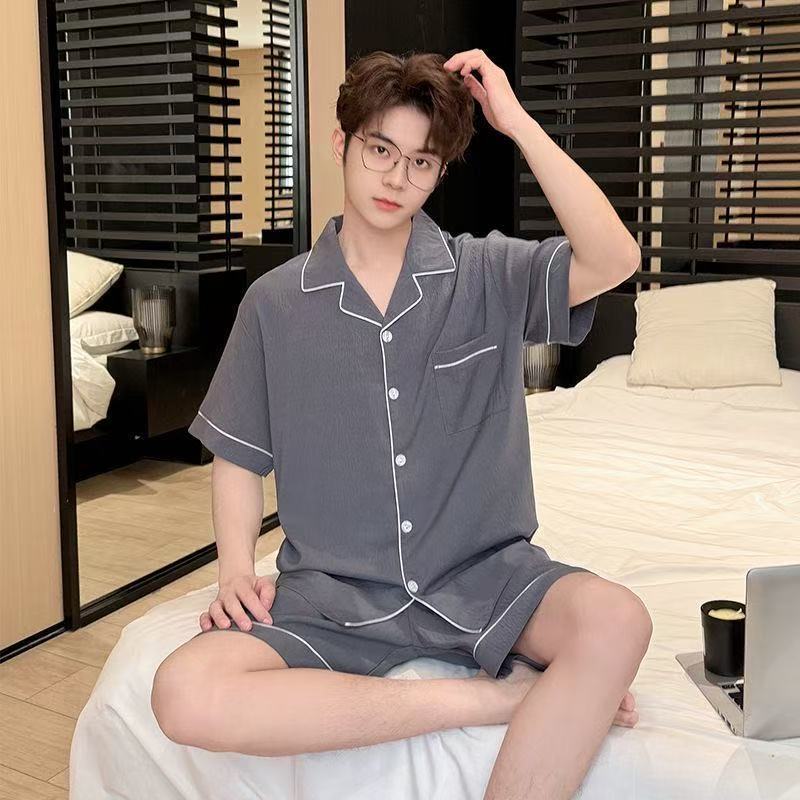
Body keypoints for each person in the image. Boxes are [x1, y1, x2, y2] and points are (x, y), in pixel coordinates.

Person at [151, 48, 651, 800]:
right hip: (333, 598)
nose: (396, 178)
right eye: (380, 150)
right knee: (182, 692)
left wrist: (516, 124)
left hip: (484, 580)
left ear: (440, 173)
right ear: (340, 142)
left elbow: (614, 258)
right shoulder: (275, 303)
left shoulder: (485, 273)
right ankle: (489, 700)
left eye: (421, 162)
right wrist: (232, 571)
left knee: (618, 620)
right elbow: (239, 453)